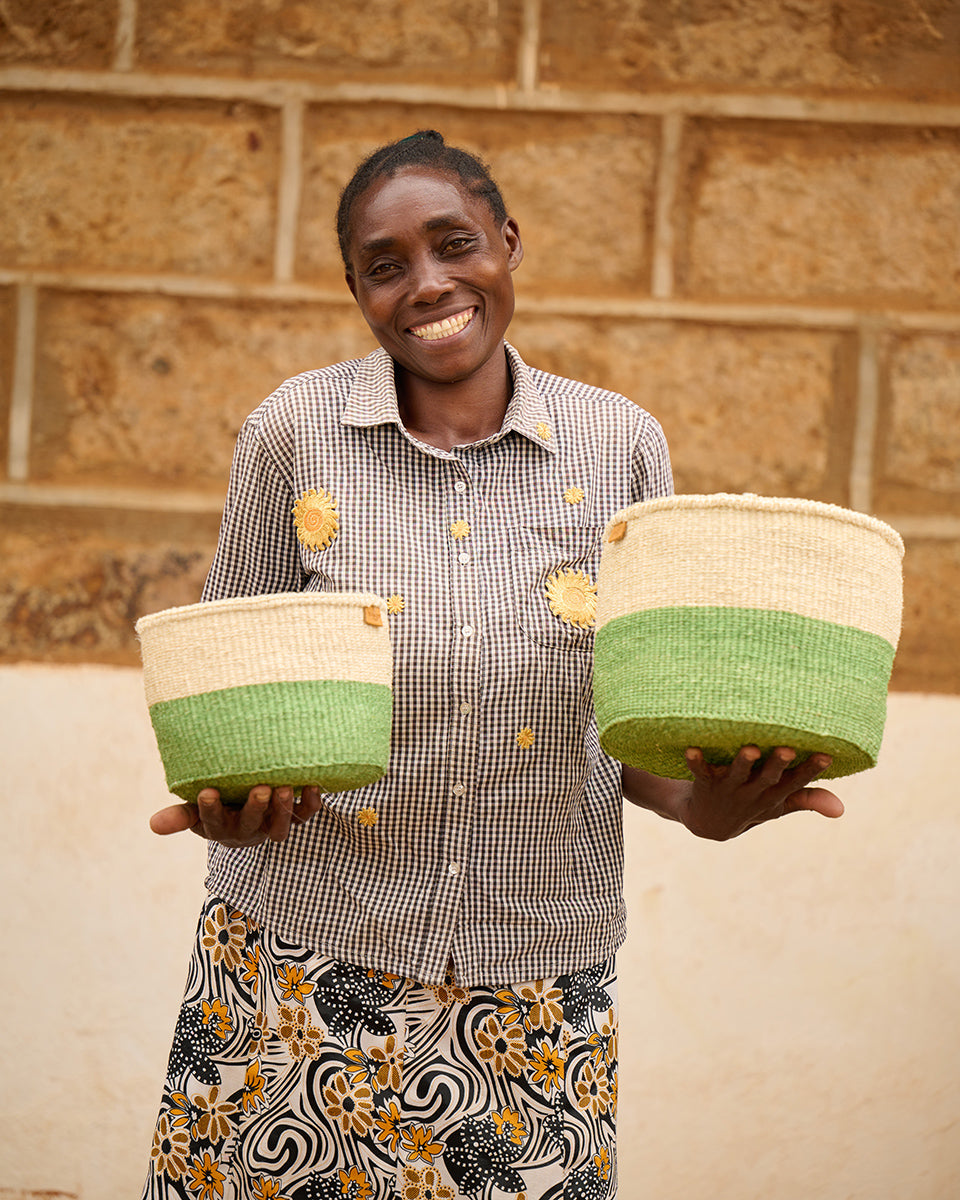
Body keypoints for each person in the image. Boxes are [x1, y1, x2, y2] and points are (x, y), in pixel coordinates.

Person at [143, 130, 842, 1200]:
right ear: (357, 292)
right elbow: (231, 690)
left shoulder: (621, 448)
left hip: (533, 992)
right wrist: (231, 805)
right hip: (298, 969)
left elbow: (632, 731)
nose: (427, 284)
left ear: (507, 243)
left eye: (454, 243)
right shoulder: (294, 434)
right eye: (386, 266)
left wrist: (709, 807)